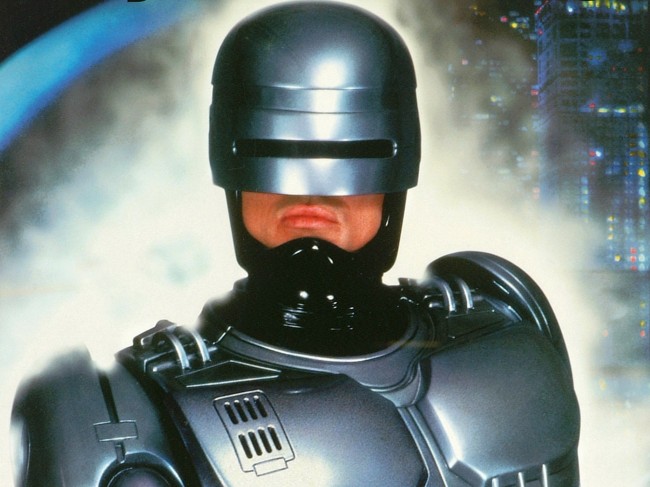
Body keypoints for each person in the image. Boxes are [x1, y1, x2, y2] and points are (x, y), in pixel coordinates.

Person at [12, 2, 580, 486]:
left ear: (395, 167)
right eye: (278, 153)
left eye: (351, 154)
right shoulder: (120, 412)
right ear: (234, 168)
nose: (311, 197)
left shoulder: (506, 320)